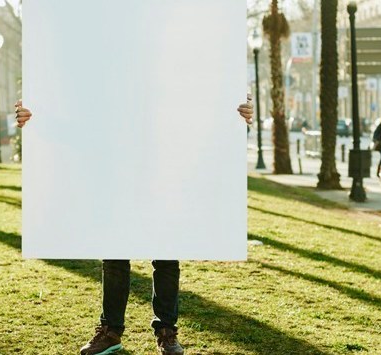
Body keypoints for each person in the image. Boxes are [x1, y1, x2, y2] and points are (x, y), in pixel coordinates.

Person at [14, 99, 254, 355]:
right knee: (115, 256)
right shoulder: (107, 80)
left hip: (164, 173)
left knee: (165, 257)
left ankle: (166, 332)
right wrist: (36, 120)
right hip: (116, 174)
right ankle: (111, 332)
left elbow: (201, 114)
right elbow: (79, 116)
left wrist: (236, 117)